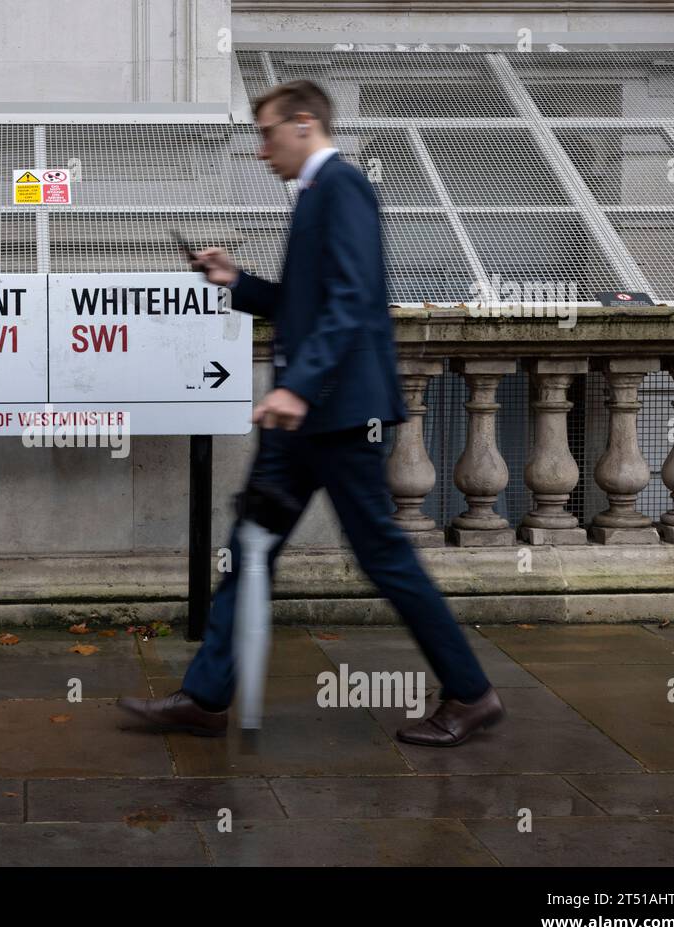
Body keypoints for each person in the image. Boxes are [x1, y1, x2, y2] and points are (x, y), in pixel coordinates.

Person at [117, 80, 505, 747]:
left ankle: (470, 692)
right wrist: (234, 280)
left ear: (304, 124)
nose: (262, 149)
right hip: (306, 418)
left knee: (381, 555)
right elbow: (303, 303)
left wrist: (298, 388)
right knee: (249, 548)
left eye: (268, 133)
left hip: (335, 414)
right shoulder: (314, 197)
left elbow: (353, 300)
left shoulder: (342, 188)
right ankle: (207, 696)